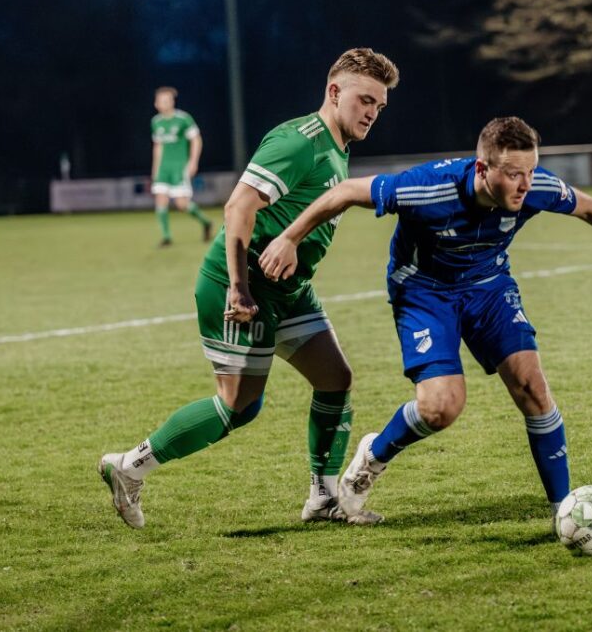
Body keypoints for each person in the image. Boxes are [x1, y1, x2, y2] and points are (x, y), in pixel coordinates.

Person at [259, 116, 592, 523]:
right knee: (440, 408)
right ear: (483, 169)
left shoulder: (534, 186)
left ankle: (564, 511)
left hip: (489, 287)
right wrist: (289, 238)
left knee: (532, 388)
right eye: (514, 174)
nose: (526, 184)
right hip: (424, 292)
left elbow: (590, 208)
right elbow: (345, 192)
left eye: (531, 171)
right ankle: (373, 457)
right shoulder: (427, 188)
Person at [99, 49, 400, 528]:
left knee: (334, 379)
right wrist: (239, 288)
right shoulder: (299, 141)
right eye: (365, 100)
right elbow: (239, 206)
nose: (372, 113)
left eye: (379, 106)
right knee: (237, 406)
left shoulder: (336, 147)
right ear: (334, 91)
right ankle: (128, 467)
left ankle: (322, 500)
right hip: (243, 284)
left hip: (288, 288)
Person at [150, 87, 214, 245]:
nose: (164, 103)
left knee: (181, 204)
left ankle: (206, 222)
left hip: (179, 167)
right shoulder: (156, 122)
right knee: (160, 199)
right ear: (156, 104)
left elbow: (196, 139)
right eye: (161, 100)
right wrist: (155, 169)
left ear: (172, 102)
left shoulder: (184, 119)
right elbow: (158, 146)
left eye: (167, 100)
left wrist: (193, 161)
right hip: (163, 168)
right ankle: (166, 237)